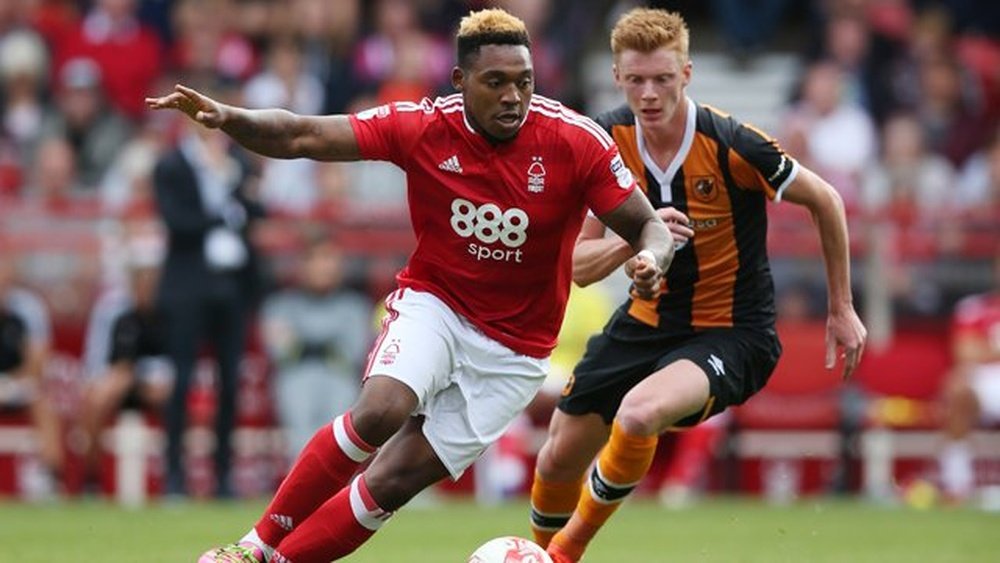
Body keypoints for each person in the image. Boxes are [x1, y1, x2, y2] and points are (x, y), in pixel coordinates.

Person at [146, 8, 673, 563]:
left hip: (516, 351)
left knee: (392, 482)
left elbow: (648, 225)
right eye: (495, 83)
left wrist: (652, 258)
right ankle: (253, 546)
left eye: (524, 81)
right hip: (437, 306)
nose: (513, 97)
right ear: (460, 81)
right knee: (379, 411)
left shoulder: (574, 140)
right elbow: (303, 133)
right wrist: (227, 116)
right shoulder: (423, 126)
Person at [527, 9, 868, 562]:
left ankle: (562, 553)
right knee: (556, 460)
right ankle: (540, 556)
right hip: (643, 325)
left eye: (662, 78)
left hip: (732, 332)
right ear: (616, 77)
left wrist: (842, 307)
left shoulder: (733, 143)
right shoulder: (605, 142)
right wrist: (631, 243)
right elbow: (577, 265)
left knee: (639, 414)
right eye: (636, 79)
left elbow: (825, 200)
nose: (649, 92)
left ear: (686, 73)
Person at [152, 105, 266, 498]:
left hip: (232, 285)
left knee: (230, 382)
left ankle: (223, 475)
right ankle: (174, 475)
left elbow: (258, 210)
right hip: (188, 287)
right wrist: (224, 203)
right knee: (182, 380)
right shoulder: (171, 167)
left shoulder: (236, 162)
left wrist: (233, 192)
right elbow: (177, 223)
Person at [260, 233, 372, 465]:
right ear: (302, 265)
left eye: (329, 259)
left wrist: (304, 343)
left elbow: (353, 353)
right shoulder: (280, 304)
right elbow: (280, 351)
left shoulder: (355, 306)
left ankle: (337, 499)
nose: (323, 267)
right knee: (300, 439)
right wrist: (324, 344)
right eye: (315, 259)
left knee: (338, 443)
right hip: (295, 377)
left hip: (339, 376)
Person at [78, 242, 172, 485]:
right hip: (118, 382)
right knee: (99, 396)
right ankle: (91, 476)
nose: (146, 282)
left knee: (183, 396)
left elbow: (180, 357)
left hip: (159, 384)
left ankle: (176, 475)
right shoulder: (112, 310)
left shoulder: (172, 311)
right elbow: (96, 359)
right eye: (141, 275)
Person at [938, 252, 1000, 503]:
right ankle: (956, 484)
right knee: (958, 390)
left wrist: (987, 348)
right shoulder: (974, 308)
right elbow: (965, 353)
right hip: (985, 380)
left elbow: (977, 349)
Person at [0, 253, 62, 498]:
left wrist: (14, 383)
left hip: (18, 384)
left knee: (43, 403)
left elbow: (39, 360)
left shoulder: (27, 308)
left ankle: (50, 478)